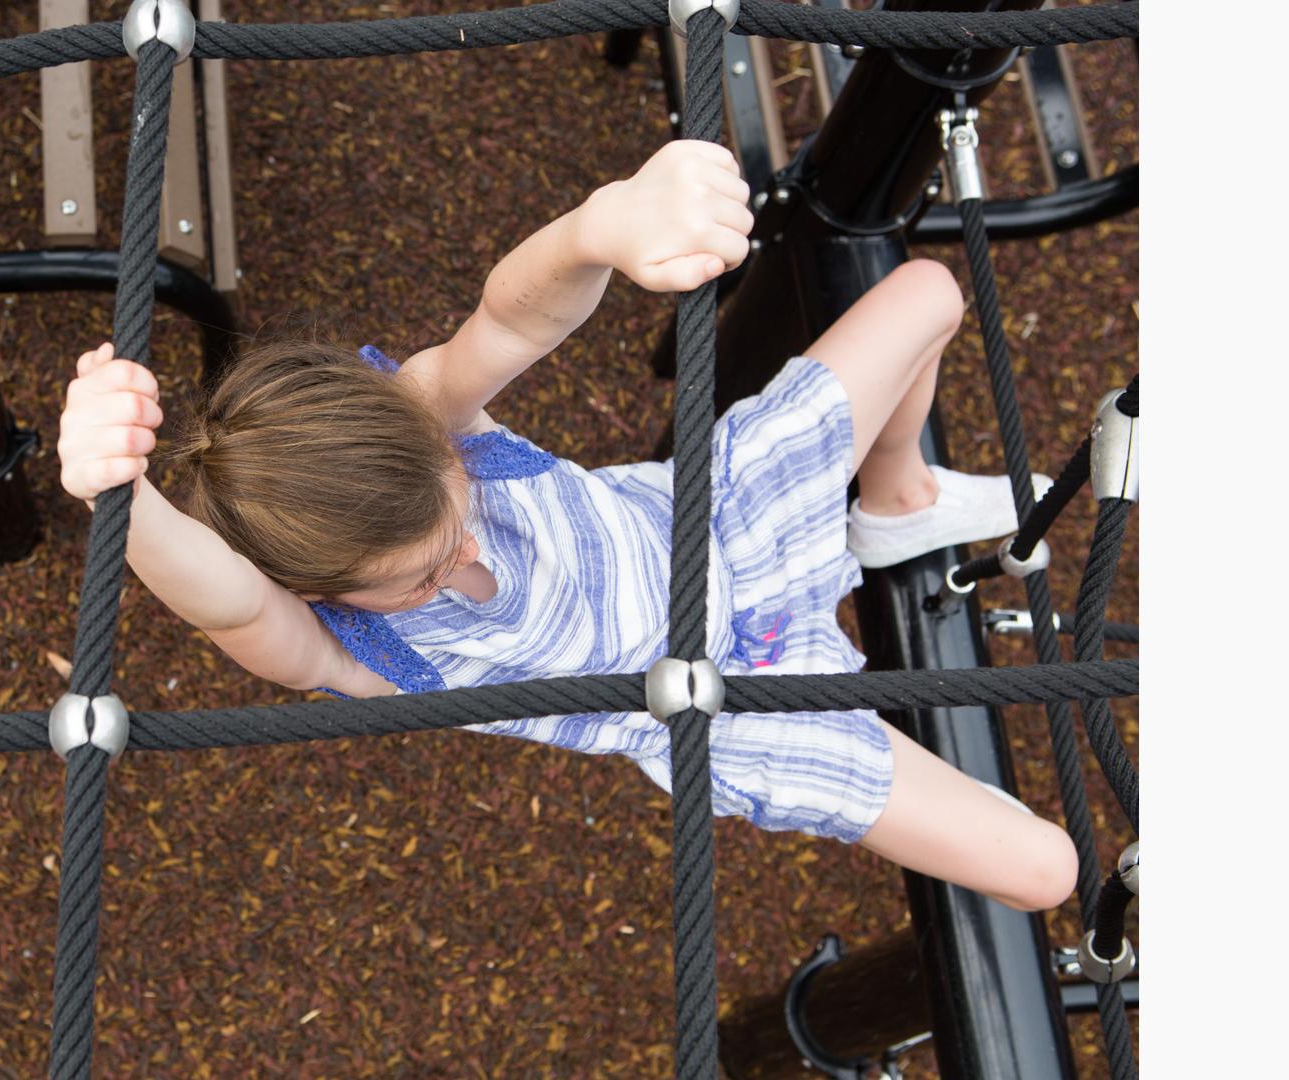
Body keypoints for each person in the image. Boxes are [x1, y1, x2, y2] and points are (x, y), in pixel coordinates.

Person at [56, 141, 1077, 912]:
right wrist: (121, 504)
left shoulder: (433, 413)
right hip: (726, 708)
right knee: (1045, 871)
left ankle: (895, 504)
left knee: (928, 292)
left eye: (454, 513)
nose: (463, 553)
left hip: (718, 523)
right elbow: (229, 602)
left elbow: (510, 321)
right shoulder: (361, 655)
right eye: (416, 574)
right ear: (329, 597)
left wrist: (601, 226)